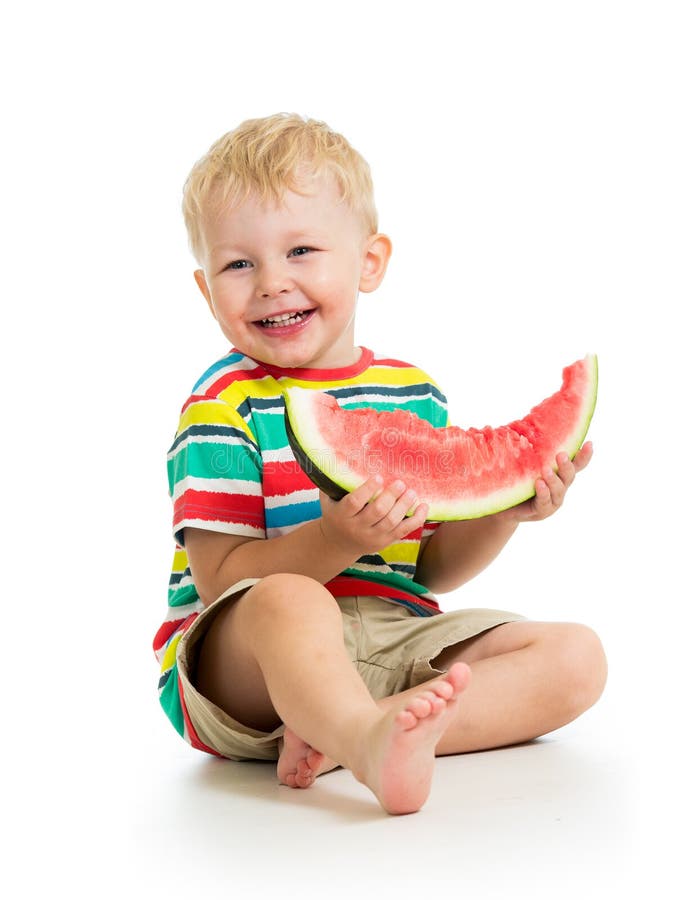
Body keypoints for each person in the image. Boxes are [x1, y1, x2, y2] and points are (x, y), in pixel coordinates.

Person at [153, 113, 607, 815]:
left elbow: (430, 571)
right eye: (238, 263)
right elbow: (219, 582)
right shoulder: (220, 406)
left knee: (577, 659)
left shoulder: (411, 395)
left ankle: (349, 733)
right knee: (286, 599)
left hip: (393, 637)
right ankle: (359, 733)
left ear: (369, 261)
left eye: (301, 250)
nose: (271, 282)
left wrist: (502, 510)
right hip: (244, 666)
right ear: (206, 289)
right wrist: (336, 540)